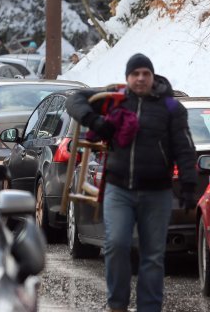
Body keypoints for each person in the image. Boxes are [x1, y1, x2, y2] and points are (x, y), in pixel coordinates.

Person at [65, 53, 196, 312]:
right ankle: (117, 305)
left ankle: (149, 307)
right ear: (127, 77)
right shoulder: (116, 100)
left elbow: (185, 148)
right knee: (116, 245)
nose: (140, 78)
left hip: (157, 192)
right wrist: (95, 121)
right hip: (118, 188)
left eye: (145, 73)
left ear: (152, 76)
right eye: (135, 74)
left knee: (153, 256)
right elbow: (74, 99)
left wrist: (190, 186)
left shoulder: (171, 107)